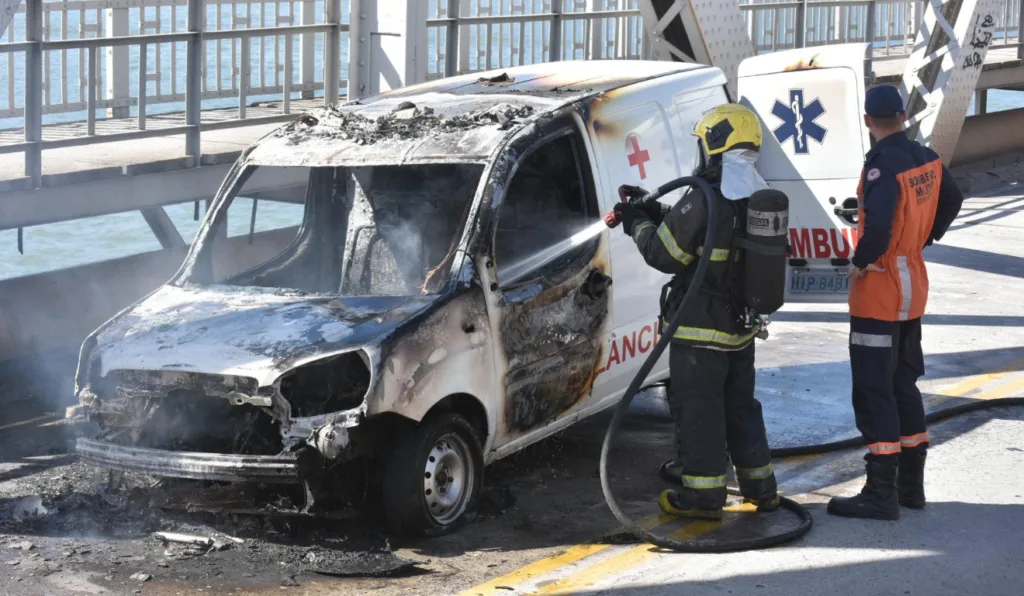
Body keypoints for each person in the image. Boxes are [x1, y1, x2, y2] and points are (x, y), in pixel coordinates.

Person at [612, 104, 779, 519]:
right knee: (741, 406)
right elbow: (701, 235)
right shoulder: (757, 192)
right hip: (739, 329)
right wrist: (655, 212)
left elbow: (663, 253)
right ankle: (762, 488)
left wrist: (635, 222)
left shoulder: (706, 195)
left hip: (700, 330)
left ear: (716, 146)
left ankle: (703, 497)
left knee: (700, 409)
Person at [827, 85, 964, 520]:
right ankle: (911, 487)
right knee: (904, 384)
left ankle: (880, 493)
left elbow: (880, 224)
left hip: (880, 292)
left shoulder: (882, 167)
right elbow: (953, 199)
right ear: (904, 114)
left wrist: (861, 260)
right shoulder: (927, 158)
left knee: (873, 389)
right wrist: (922, 236)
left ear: (868, 121)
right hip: (913, 287)